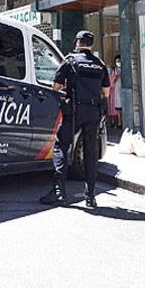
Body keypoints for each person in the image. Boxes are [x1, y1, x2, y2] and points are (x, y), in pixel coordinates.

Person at [39, 30, 110, 208]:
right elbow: (106, 92)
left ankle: (59, 192)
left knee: (61, 146)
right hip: (93, 112)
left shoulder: (70, 61)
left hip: (74, 111)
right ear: (91, 44)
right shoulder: (99, 64)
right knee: (90, 152)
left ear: (77, 42)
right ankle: (90, 196)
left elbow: (55, 86)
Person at [108, 55, 122, 130]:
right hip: (115, 89)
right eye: (117, 61)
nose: (118, 62)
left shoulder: (121, 70)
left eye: (119, 61)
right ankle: (117, 122)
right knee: (116, 107)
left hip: (118, 89)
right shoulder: (115, 70)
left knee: (118, 107)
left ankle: (119, 122)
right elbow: (114, 79)